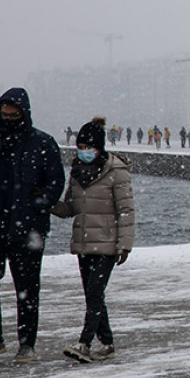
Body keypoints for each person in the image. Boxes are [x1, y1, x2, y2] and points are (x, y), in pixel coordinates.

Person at [0, 87, 66, 363]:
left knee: (26, 288)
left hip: (28, 229)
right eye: (4, 114)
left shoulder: (43, 143)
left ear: (24, 114)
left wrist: (40, 203)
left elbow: (55, 181)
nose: (9, 119)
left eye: (14, 115)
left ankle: (27, 345)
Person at [51, 117, 135, 363]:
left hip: (107, 244)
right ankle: (107, 343)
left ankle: (85, 343)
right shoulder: (77, 173)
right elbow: (70, 208)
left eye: (89, 147)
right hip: (84, 243)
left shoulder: (116, 171)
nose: (84, 152)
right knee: (92, 295)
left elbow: (126, 211)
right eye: (81, 147)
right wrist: (47, 204)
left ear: (100, 147)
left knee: (95, 292)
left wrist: (124, 245)